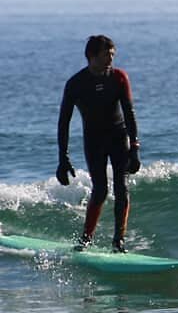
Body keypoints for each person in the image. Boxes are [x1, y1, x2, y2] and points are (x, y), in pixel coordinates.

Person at [56, 35, 142, 252]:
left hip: (118, 136)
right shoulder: (75, 84)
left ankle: (118, 241)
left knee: (122, 188)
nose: (110, 59)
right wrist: (63, 158)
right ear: (92, 56)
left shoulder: (119, 78)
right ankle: (86, 239)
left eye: (113, 54)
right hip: (94, 140)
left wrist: (134, 148)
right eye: (106, 55)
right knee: (101, 190)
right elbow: (64, 122)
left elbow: (130, 114)